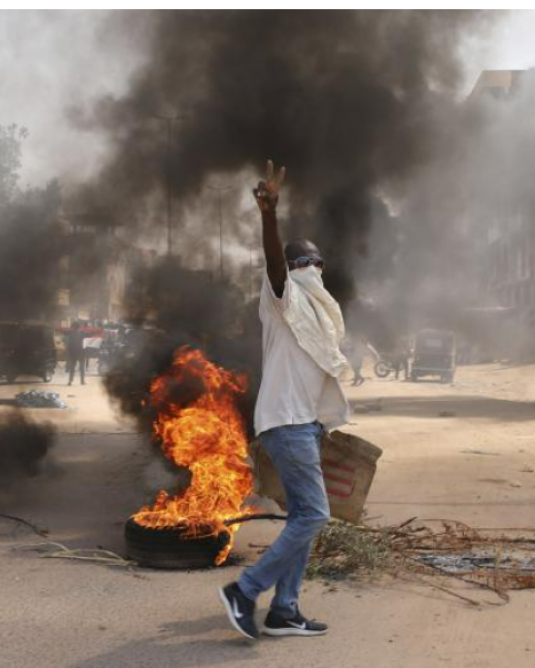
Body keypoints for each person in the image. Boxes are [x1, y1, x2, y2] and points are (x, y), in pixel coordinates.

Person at [219, 160, 349, 640]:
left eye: (318, 262)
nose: (312, 268)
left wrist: (324, 427)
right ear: (293, 271)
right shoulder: (283, 299)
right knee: (315, 515)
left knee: (302, 518)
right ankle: (245, 590)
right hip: (286, 424)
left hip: (304, 426)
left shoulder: (319, 317)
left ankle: (285, 610)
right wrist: (270, 216)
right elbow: (274, 263)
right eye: (304, 263)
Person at [65, 321, 86, 385]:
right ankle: (82, 381)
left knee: (72, 367)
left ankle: (70, 381)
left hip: (73, 353)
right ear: (79, 327)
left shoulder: (70, 333)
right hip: (80, 352)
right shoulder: (82, 333)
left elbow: (63, 331)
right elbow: (89, 334)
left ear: (73, 327)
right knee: (82, 367)